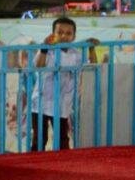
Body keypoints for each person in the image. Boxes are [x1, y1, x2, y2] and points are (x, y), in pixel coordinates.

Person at [29, 17, 98, 151]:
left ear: (74, 36)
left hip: (62, 104)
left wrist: (91, 49)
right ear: (53, 34)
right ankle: (35, 162)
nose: (64, 36)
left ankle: (64, 163)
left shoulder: (76, 54)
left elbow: (92, 66)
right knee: (39, 140)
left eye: (68, 33)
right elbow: (38, 66)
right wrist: (44, 49)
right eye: (60, 32)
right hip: (41, 102)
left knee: (63, 140)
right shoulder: (47, 50)